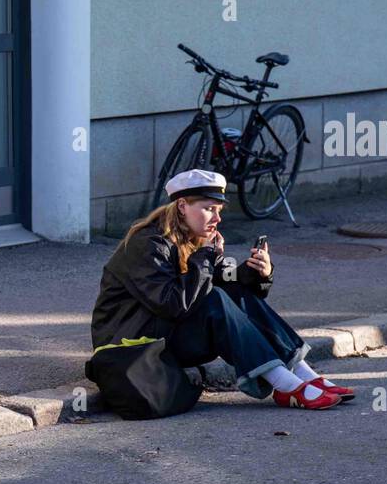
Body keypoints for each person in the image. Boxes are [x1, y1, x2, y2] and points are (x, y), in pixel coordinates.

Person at [90, 169, 353, 412]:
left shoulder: (196, 238)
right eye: (209, 209)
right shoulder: (147, 244)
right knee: (215, 300)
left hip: (164, 334)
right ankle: (285, 385)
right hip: (131, 344)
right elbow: (172, 303)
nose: (217, 218)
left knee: (233, 294)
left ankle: (304, 374)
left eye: (219, 210)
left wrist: (258, 273)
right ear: (182, 206)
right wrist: (205, 256)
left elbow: (227, 286)